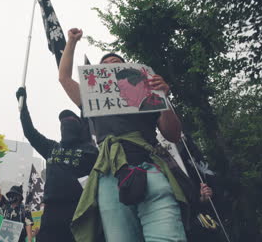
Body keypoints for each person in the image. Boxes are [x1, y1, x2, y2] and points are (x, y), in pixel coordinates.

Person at [58, 28, 187, 242]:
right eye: (105, 65)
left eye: (117, 63)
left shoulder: (148, 97)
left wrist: (164, 98)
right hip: (110, 178)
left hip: (151, 171)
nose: (110, 65)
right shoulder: (92, 100)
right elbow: (64, 78)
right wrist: (71, 42)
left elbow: (173, 135)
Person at [16, 87, 98, 242]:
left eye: (71, 121)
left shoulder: (91, 150)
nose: (66, 124)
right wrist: (23, 106)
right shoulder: (51, 148)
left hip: (80, 211)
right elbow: (30, 132)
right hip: (51, 212)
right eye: (63, 122)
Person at [0, 169, 33, 242]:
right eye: (10, 195)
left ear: (19, 197)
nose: (11, 196)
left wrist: (29, 240)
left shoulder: (24, 209)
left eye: (14, 195)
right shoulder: (6, 205)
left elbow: (28, 225)